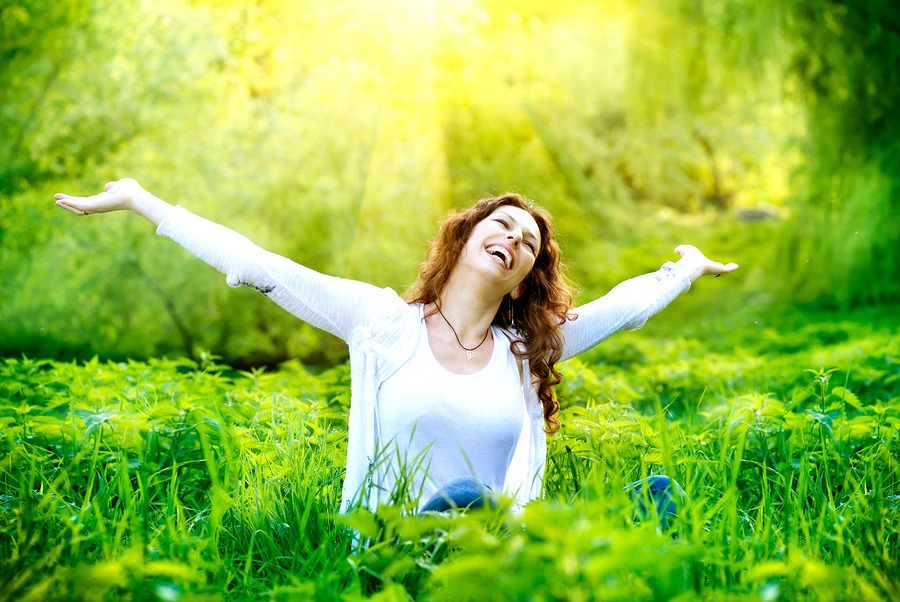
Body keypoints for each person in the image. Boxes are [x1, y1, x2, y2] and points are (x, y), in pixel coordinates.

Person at [54, 178, 738, 519]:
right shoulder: (381, 322)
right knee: (466, 496)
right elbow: (257, 265)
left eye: (529, 244)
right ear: (465, 239)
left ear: (527, 275)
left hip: (492, 558)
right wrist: (144, 203)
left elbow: (624, 310)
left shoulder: (526, 347)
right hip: (393, 551)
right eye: (502, 226)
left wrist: (685, 267)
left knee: (654, 497)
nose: (515, 241)